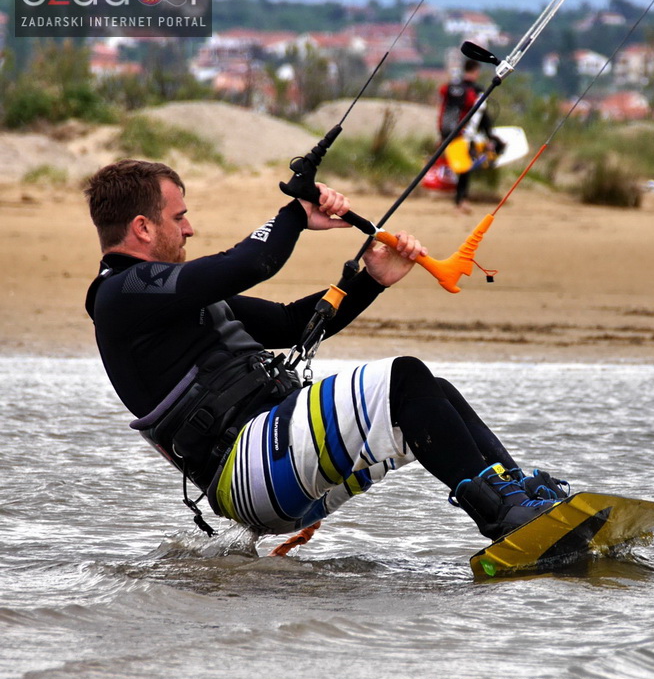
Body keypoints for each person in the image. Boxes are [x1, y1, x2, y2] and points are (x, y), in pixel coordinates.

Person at [83, 159, 568, 542]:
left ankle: (519, 493)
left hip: (275, 458)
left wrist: (371, 281)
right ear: (143, 228)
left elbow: (293, 324)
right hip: (249, 470)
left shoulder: (165, 295)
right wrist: (295, 213)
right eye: (180, 217)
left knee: (430, 395)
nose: (189, 230)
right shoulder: (121, 294)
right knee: (402, 378)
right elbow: (253, 262)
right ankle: (502, 518)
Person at [437, 59, 501, 214]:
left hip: (446, 131)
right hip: (463, 134)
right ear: (476, 71)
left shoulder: (452, 87)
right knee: (465, 167)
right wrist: (489, 136)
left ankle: (460, 199)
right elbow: (482, 115)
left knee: (462, 166)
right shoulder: (476, 91)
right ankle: (461, 201)